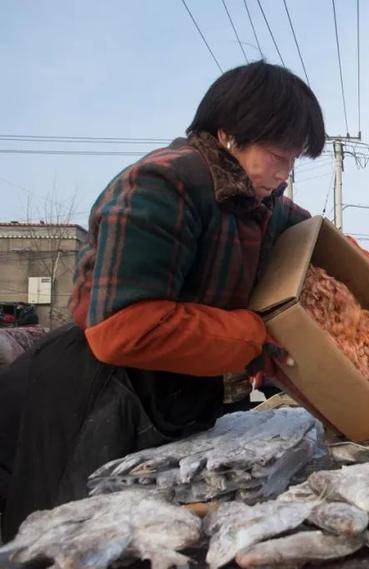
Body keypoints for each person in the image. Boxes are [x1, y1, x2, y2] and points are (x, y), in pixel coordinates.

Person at [0, 61, 327, 540]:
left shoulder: (258, 200)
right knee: (69, 538)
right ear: (230, 135)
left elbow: (313, 238)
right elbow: (124, 328)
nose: (285, 173)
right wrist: (252, 336)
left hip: (171, 397)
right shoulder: (160, 185)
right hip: (95, 395)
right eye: (280, 154)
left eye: (294, 159)